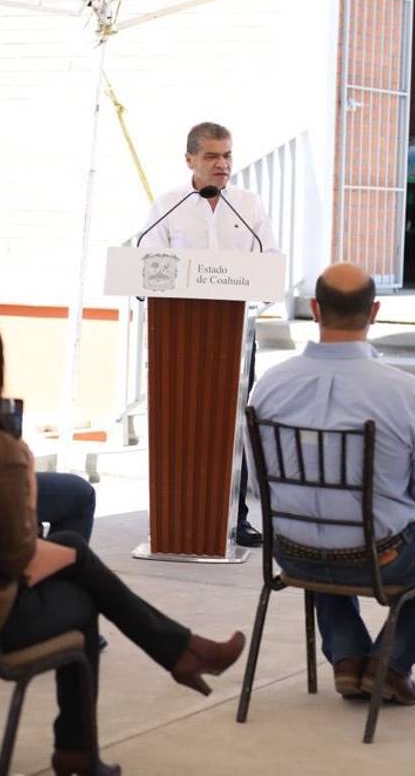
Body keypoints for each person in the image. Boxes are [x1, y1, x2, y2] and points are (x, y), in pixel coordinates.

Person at [0, 311, 245, 776]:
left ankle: (183, 651)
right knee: (81, 601)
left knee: (72, 547)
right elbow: (17, 559)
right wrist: (27, 484)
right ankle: (80, 747)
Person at [247, 263, 415, 705]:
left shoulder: (269, 385)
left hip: (292, 553)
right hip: (384, 559)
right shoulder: (406, 392)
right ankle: (392, 662)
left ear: (315, 309)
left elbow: (260, 486)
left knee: (320, 515)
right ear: (374, 311)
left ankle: (347, 657)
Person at [140, 121, 279, 548]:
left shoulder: (248, 205)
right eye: (212, 156)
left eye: (227, 155)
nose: (222, 164)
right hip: (178, 336)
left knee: (230, 427)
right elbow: (147, 264)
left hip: (234, 333)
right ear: (190, 160)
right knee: (180, 425)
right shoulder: (168, 205)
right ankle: (174, 519)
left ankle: (236, 518)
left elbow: (269, 263)